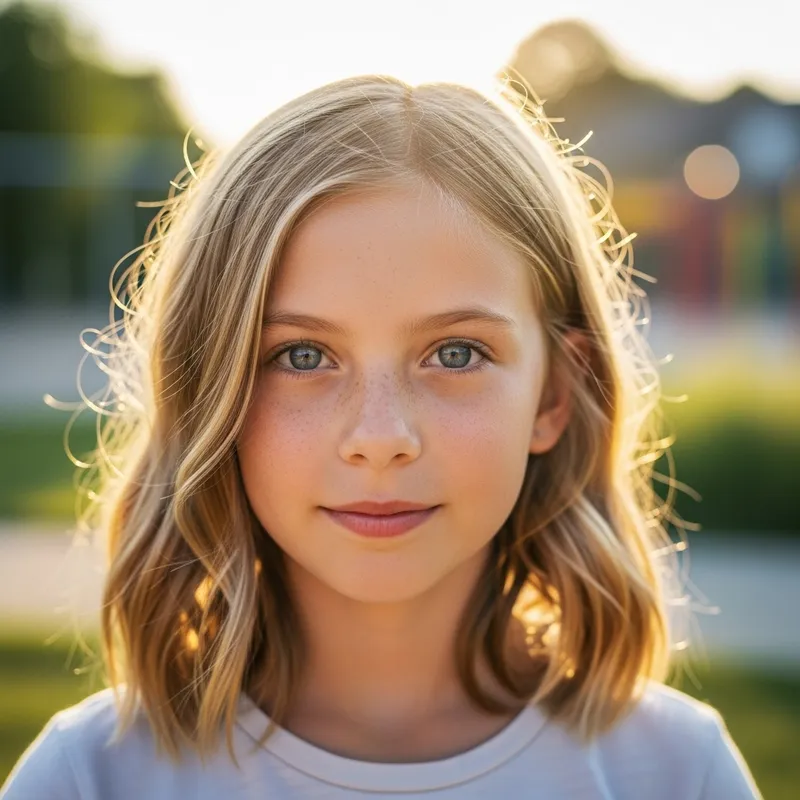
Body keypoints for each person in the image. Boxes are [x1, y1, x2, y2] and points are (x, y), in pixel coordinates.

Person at [2, 73, 761, 799]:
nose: (380, 438)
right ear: (210, 390)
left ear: (554, 393)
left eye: (455, 354)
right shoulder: (90, 780)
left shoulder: (676, 775)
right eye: (303, 356)